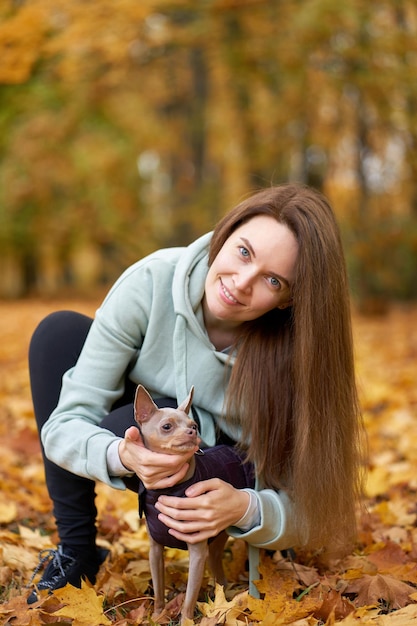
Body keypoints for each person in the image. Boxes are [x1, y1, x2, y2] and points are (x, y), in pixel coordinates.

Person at [27, 182, 364, 604]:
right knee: (59, 335)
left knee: (233, 479)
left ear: (289, 299)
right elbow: (64, 426)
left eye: (273, 280)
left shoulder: (301, 351)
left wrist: (245, 507)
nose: (241, 284)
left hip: (232, 464)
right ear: (224, 235)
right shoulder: (151, 282)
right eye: (244, 252)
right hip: (154, 432)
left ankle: (246, 529)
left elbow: (316, 505)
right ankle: (77, 550)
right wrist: (122, 455)